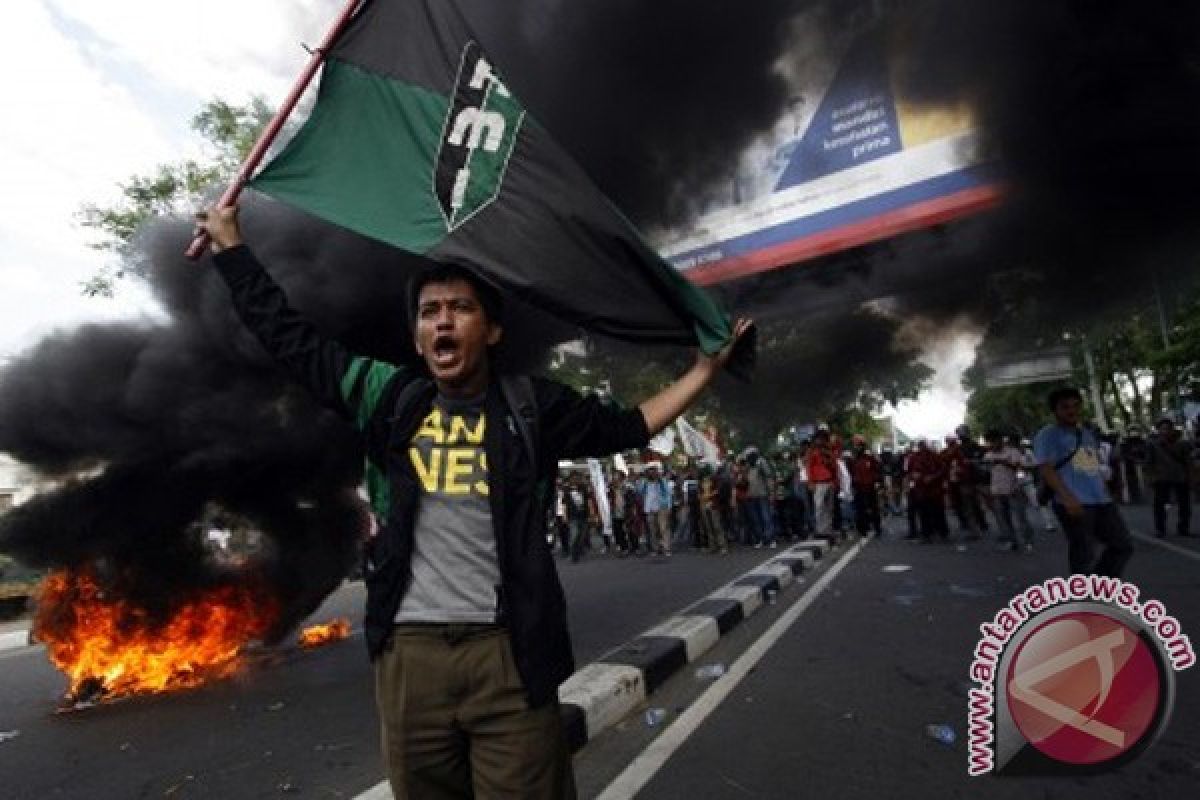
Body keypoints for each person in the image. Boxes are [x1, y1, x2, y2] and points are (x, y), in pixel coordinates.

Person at [196, 205, 750, 800]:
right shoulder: (387, 395)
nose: (443, 323)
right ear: (417, 336)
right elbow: (290, 339)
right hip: (410, 659)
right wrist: (232, 248)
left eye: (460, 308)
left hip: (508, 655)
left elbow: (630, 426)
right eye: (430, 312)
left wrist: (703, 372)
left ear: (491, 329)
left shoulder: (531, 407)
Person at [1034, 388, 1134, 577]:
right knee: (1083, 553)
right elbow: (1045, 468)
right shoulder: (1048, 434)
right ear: (1055, 410)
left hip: (1100, 501)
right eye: (1065, 407)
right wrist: (1068, 497)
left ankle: (1099, 584)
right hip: (1073, 502)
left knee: (1122, 545)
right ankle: (1084, 594)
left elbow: (1088, 468)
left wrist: (1104, 491)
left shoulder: (1086, 434)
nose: (1072, 410)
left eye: (1075, 405)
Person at [983, 431, 1035, 553]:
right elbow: (986, 473)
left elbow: (1021, 468)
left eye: (995, 441)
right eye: (990, 442)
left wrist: (1003, 462)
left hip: (1014, 489)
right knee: (1004, 519)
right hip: (997, 491)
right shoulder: (988, 456)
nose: (993, 444)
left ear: (1000, 440)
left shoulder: (1012, 452)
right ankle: (1012, 541)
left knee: (1021, 518)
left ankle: (1028, 541)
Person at [1146, 417, 1194, 537]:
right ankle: (1160, 529)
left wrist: (1191, 476)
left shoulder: (1182, 443)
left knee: (1184, 505)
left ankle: (1183, 528)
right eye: (1162, 429)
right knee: (1160, 505)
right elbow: (1149, 462)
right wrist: (1150, 477)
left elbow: (1188, 460)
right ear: (1158, 430)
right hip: (1161, 477)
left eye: (1167, 428)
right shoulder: (1153, 444)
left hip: (1180, 476)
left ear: (1172, 429)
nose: (1165, 431)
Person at [908, 440, 948, 542]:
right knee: (924, 513)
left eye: (923, 446)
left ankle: (942, 533)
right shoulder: (914, 457)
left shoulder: (935, 456)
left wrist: (932, 477)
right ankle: (927, 534)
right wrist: (914, 477)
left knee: (938, 511)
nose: (922, 448)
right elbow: (910, 471)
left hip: (934, 488)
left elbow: (943, 469)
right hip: (921, 489)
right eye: (921, 446)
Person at [849, 437, 883, 537]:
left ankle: (877, 528)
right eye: (855, 445)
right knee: (860, 509)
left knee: (874, 508)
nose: (856, 447)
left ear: (862, 445)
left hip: (870, 486)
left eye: (858, 445)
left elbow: (877, 469)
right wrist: (853, 484)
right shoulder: (854, 458)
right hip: (859, 487)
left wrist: (877, 481)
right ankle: (863, 529)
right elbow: (852, 472)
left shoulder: (870, 457)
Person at [806, 431, 838, 537]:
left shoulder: (829, 451)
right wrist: (810, 482)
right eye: (819, 438)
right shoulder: (812, 452)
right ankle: (820, 530)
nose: (821, 440)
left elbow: (834, 467)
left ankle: (828, 529)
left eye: (823, 438)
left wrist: (835, 481)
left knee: (829, 507)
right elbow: (809, 468)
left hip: (829, 481)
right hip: (818, 483)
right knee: (819, 507)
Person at [640, 462, 673, 556]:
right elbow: (640, 492)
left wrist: (669, 506)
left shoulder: (662, 481)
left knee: (663, 529)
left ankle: (666, 548)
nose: (652, 472)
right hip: (649, 508)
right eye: (650, 470)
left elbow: (668, 494)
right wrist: (644, 481)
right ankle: (655, 548)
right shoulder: (645, 482)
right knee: (652, 530)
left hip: (661, 508)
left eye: (654, 470)